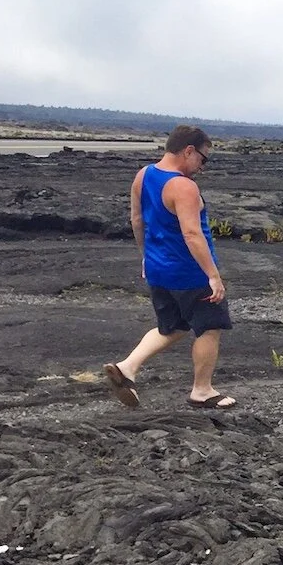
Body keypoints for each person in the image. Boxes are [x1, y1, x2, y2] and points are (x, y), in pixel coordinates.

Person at [103, 124, 236, 409]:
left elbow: (137, 221)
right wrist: (213, 276)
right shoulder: (183, 186)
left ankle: (127, 367)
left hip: (158, 269)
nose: (202, 166)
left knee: (172, 326)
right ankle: (202, 390)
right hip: (188, 272)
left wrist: (145, 257)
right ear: (189, 151)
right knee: (209, 327)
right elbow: (192, 234)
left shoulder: (144, 175)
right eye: (203, 158)